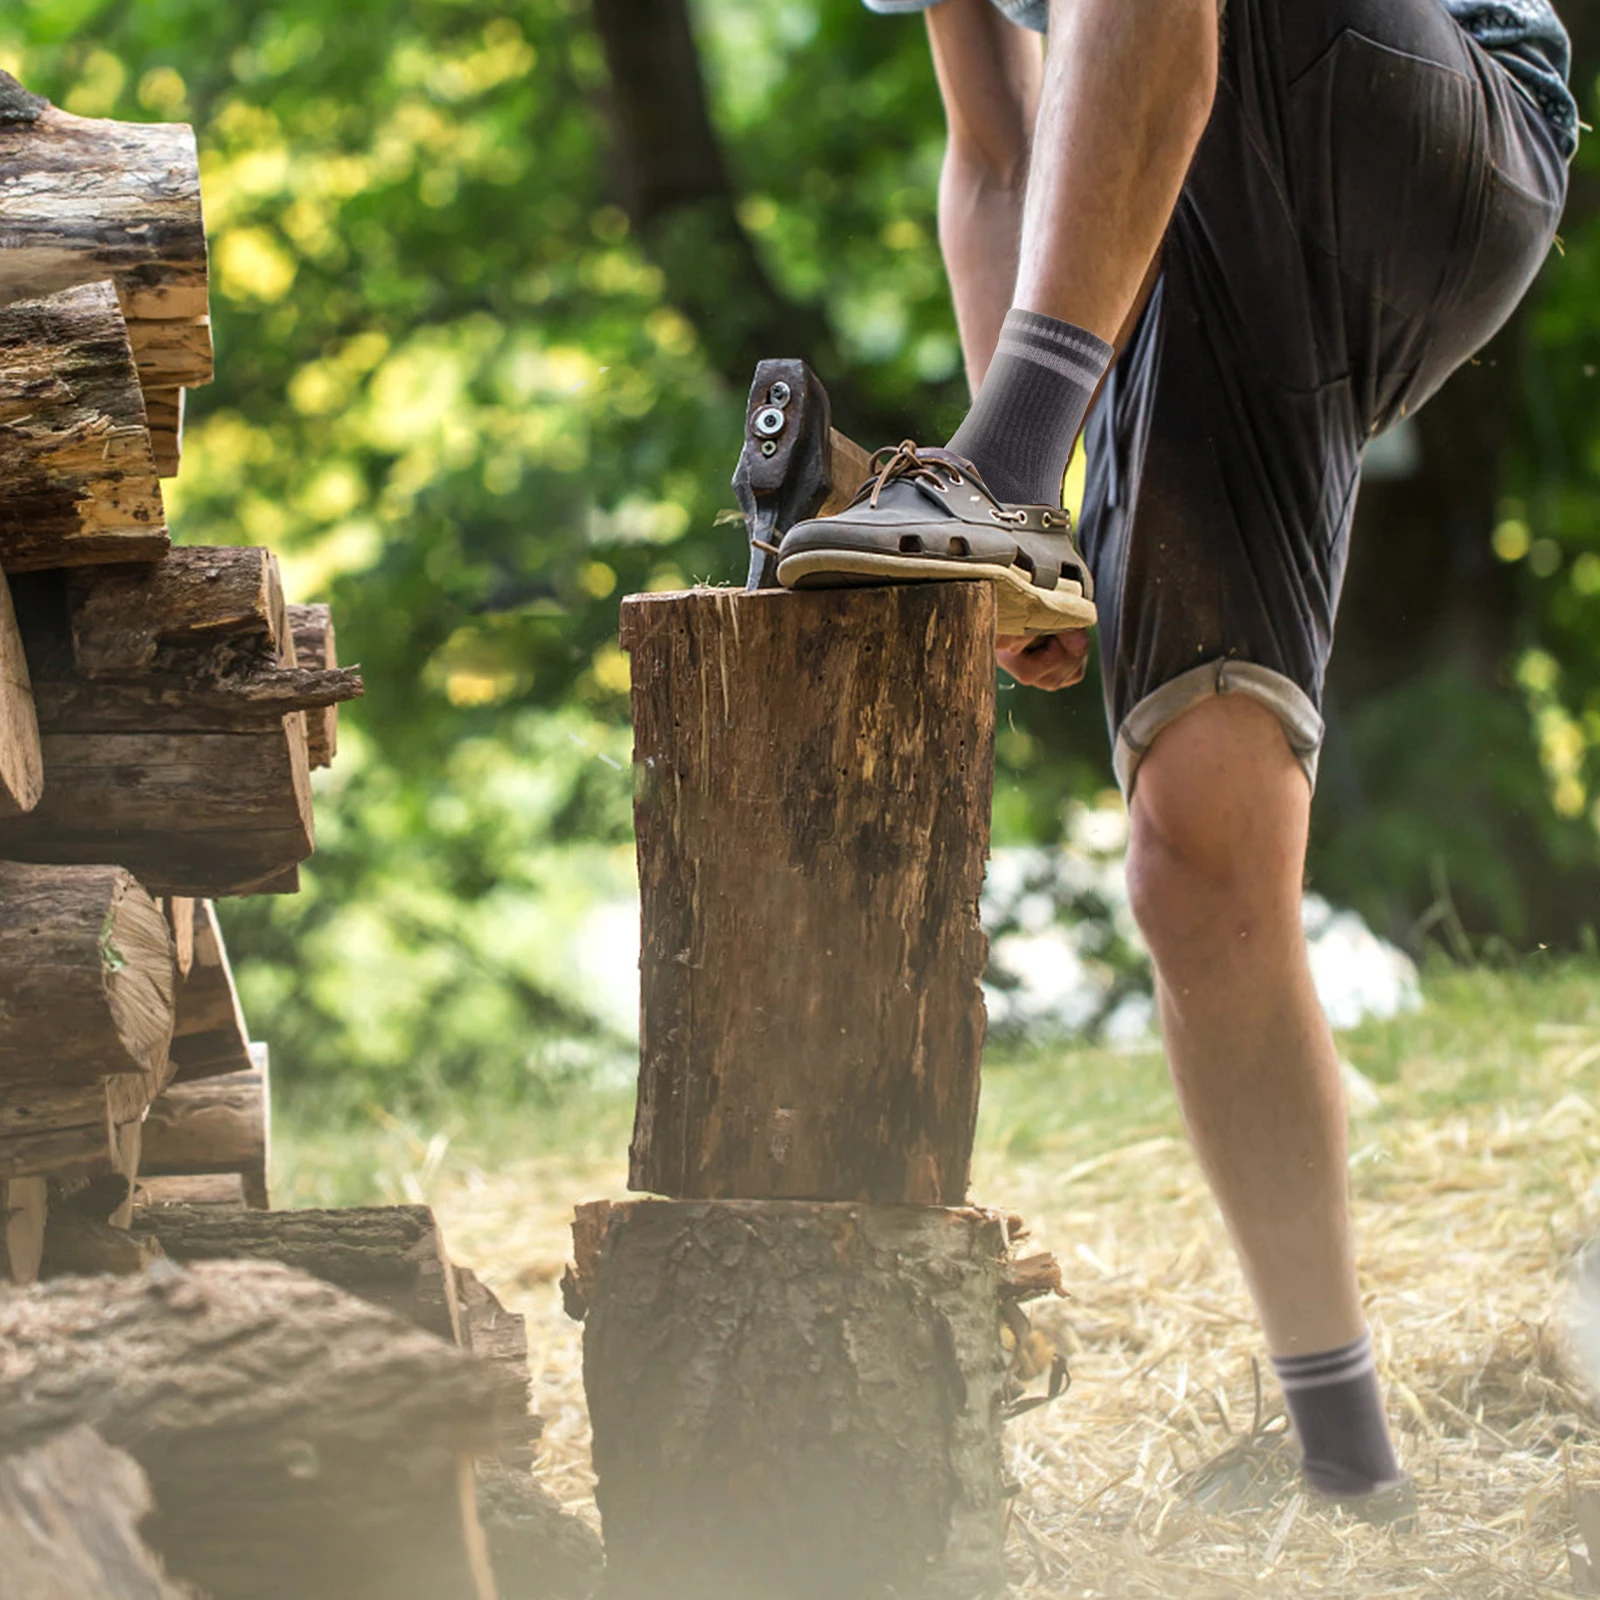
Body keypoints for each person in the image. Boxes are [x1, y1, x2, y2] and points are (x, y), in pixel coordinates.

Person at [776, 0, 1576, 1511]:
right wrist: (1022, 530)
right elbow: (1000, 148)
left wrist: (1000, 467)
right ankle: (1343, 1451)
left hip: (1428, 127)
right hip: (1195, 207)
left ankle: (1005, 456)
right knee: (1195, 855)